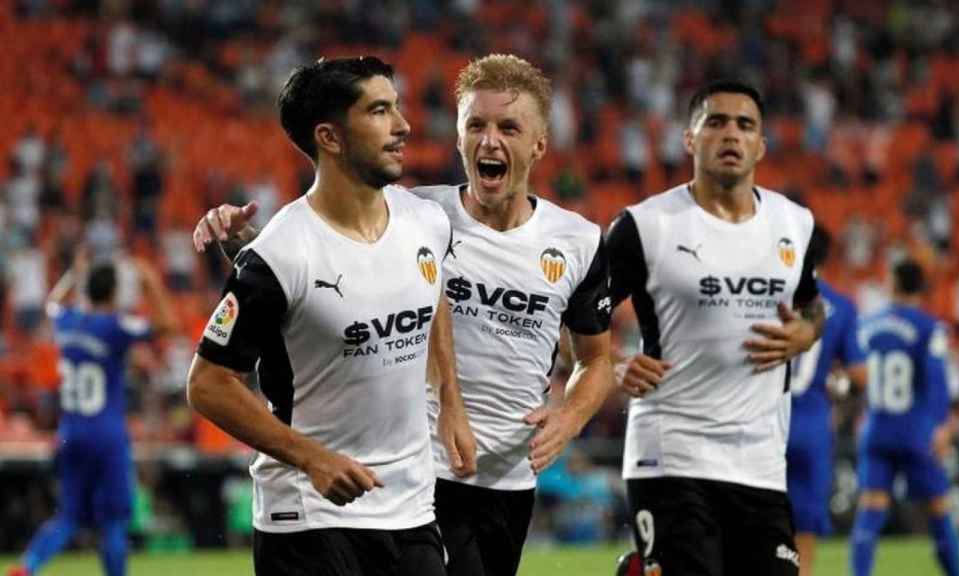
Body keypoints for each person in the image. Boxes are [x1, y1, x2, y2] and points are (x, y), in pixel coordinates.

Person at [193, 54, 614, 576]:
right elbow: (321, 258)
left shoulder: (548, 238)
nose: (489, 141)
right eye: (475, 125)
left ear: (540, 144)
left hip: (491, 482)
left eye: (508, 127)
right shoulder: (417, 212)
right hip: (382, 485)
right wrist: (250, 250)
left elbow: (594, 359)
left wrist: (553, 414)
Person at [186, 56, 474, 576]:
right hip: (308, 517)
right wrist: (312, 458)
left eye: (397, 108)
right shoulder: (279, 255)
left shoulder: (427, 224)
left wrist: (450, 400)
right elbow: (208, 383)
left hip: (410, 507)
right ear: (330, 137)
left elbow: (433, 300)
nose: (404, 126)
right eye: (380, 111)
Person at [607, 79, 824, 576]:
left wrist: (808, 333)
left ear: (761, 145)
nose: (731, 134)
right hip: (672, 452)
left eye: (745, 125)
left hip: (762, 463)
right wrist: (610, 366)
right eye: (716, 122)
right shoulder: (646, 226)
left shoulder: (795, 224)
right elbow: (578, 314)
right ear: (690, 139)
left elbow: (812, 305)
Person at [7, 253, 177, 576]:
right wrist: (150, 281)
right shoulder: (115, 326)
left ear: (88, 291)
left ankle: (28, 567)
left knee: (68, 517)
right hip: (108, 435)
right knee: (113, 521)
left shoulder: (68, 321)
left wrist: (74, 274)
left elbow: (52, 302)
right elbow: (167, 326)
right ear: (114, 293)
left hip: (70, 433)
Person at [850, 260, 959, 576]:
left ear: (895, 283)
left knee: (871, 509)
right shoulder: (930, 328)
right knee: (939, 509)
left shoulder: (867, 324)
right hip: (916, 432)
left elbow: (856, 373)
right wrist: (942, 425)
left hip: (876, 429)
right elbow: (936, 381)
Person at [785, 225, 867, 576]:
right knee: (804, 533)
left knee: (751, 523)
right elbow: (860, 377)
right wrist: (840, 386)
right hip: (813, 424)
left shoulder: (766, 294)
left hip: (764, 419)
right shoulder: (843, 307)